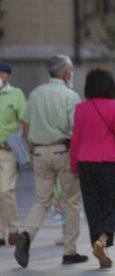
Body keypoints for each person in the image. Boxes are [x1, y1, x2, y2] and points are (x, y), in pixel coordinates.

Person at [15, 55, 88, 267]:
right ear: (65, 72)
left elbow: (25, 125)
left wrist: (31, 149)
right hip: (63, 151)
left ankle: (27, 234)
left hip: (39, 152)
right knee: (72, 201)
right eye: (71, 69)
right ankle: (70, 250)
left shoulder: (36, 93)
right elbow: (78, 129)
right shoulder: (70, 95)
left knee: (41, 200)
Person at [70, 68, 115, 268]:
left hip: (85, 163)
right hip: (109, 163)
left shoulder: (80, 108)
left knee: (93, 206)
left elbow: (76, 139)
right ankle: (103, 240)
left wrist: (73, 166)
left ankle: (99, 245)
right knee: (113, 204)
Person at [0, 62, 27, 246]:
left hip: (7, 150)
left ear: (8, 76)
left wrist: (16, 140)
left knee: (5, 190)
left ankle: (14, 229)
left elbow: (23, 121)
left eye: (1, 73)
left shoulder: (16, 94)